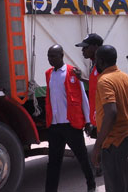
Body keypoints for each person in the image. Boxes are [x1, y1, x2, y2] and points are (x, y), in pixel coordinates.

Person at [44, 44, 96, 192]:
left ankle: (91, 184)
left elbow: (83, 98)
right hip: (54, 126)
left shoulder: (72, 72)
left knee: (82, 157)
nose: (50, 59)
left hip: (70, 124)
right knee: (53, 161)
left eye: (53, 56)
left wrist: (87, 121)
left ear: (61, 56)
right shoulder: (49, 74)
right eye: (48, 56)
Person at [91, 45, 128, 192]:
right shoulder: (126, 77)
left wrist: (97, 146)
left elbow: (111, 113)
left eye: (96, 60)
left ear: (101, 61)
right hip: (127, 139)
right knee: (125, 184)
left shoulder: (104, 81)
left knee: (115, 187)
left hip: (113, 143)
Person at [75, 33, 104, 137]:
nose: (83, 51)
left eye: (85, 48)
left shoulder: (103, 65)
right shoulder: (94, 63)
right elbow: (96, 83)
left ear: (95, 47)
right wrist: (81, 79)